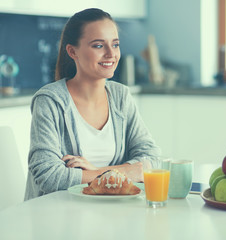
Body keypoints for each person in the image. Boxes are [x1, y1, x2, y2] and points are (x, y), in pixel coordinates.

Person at [24, 8, 160, 200]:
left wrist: (99, 170)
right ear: (72, 51)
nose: (111, 54)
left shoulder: (121, 96)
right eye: (98, 46)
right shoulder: (50, 101)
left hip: (112, 215)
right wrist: (126, 172)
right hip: (57, 215)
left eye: (115, 44)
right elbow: (48, 176)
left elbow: (151, 159)